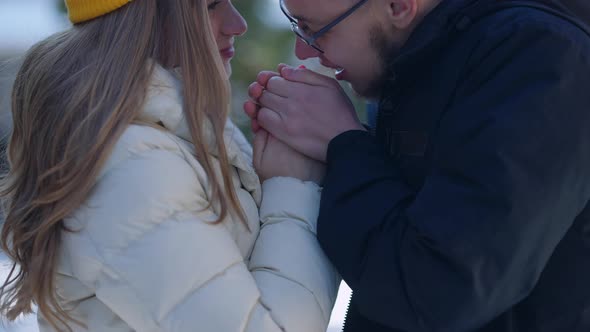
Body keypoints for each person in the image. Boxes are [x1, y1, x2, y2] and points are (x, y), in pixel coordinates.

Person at [245, 0, 590, 330]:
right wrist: (318, 160)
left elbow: (441, 288)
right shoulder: (421, 63)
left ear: (398, 6)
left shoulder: (538, 56)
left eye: (315, 29)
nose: (303, 50)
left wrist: (344, 144)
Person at [0, 0, 339, 331]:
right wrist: (292, 184)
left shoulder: (179, 134)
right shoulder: (131, 167)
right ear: (144, 18)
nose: (238, 24)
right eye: (210, 6)